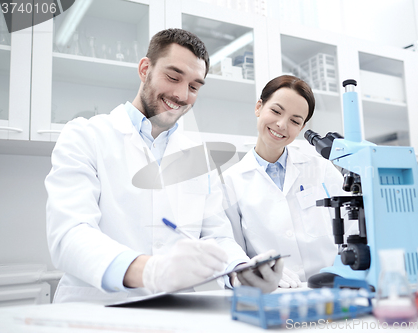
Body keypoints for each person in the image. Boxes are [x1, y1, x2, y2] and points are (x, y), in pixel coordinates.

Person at [45, 29, 282, 303]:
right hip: (95, 309)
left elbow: (216, 236)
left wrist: (240, 270)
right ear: (145, 69)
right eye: (173, 77)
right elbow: (70, 235)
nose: (182, 95)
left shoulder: (199, 159)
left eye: (194, 87)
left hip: (174, 312)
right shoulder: (86, 136)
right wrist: (150, 271)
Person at [222, 75, 347, 288]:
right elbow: (229, 247)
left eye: (295, 121)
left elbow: (353, 227)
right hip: (273, 294)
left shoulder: (322, 169)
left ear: (302, 127)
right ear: (259, 107)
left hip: (330, 290)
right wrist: (249, 273)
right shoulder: (231, 182)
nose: (281, 125)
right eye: (276, 111)